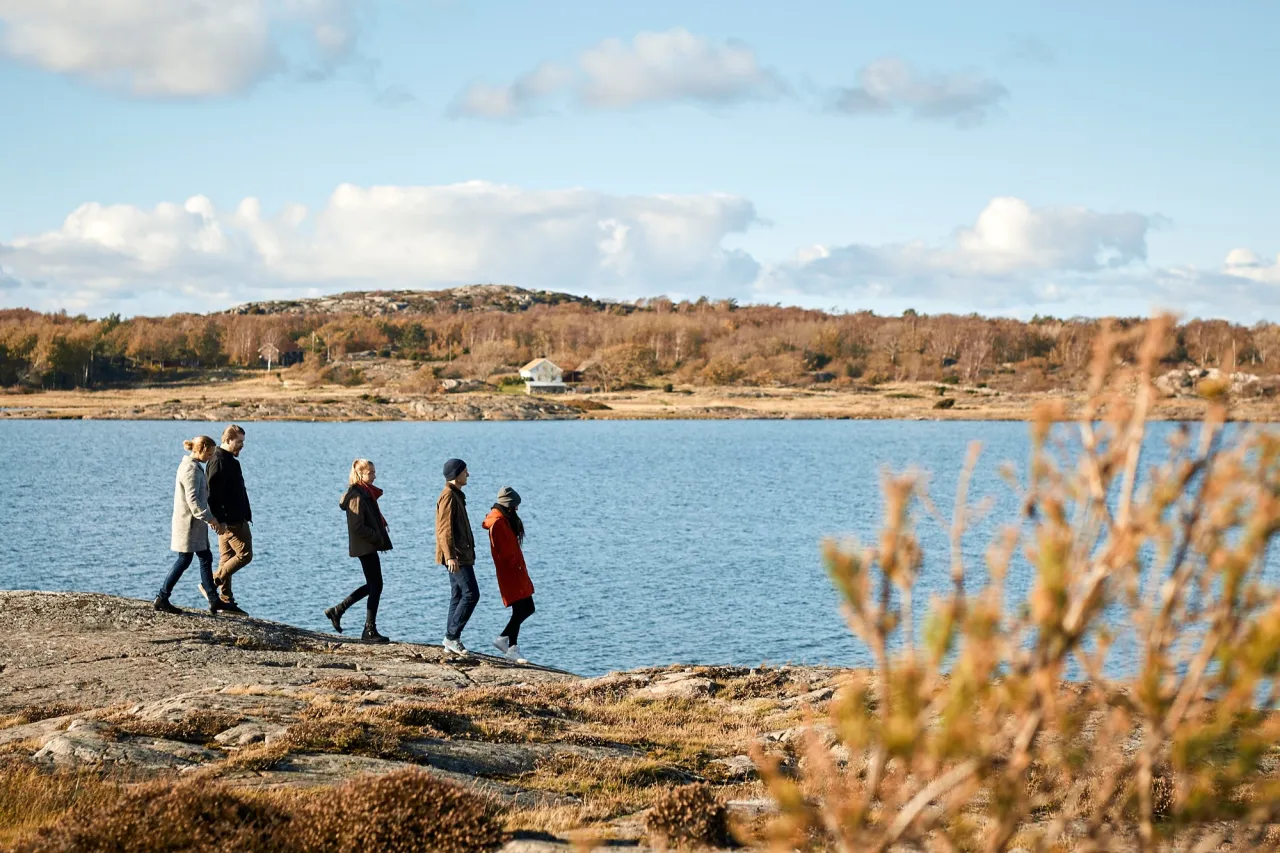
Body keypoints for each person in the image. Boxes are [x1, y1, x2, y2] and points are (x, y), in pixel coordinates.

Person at [154, 436, 226, 616]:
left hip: (194, 525)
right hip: (189, 525)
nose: (211, 457)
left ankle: (213, 599)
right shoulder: (190, 469)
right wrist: (211, 519)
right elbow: (194, 502)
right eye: (209, 453)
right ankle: (163, 597)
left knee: (203, 557)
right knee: (186, 559)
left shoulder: (193, 466)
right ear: (200, 450)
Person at [324, 459, 392, 644]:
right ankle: (368, 630)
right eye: (371, 473)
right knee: (376, 585)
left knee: (374, 585)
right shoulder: (356, 495)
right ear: (360, 474)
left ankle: (339, 611)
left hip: (367, 545)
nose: (374, 475)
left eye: (374, 472)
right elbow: (357, 526)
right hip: (365, 546)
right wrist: (377, 535)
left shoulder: (365, 492)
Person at [482, 486, 535, 664]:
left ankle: (512, 648)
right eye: (515, 506)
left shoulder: (501, 520)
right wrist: (517, 566)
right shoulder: (499, 523)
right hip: (512, 573)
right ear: (509, 505)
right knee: (527, 608)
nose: (517, 509)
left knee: (520, 610)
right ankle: (503, 638)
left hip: (514, 571)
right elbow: (505, 553)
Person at [206, 424, 252, 615]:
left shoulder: (230, 460)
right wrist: (220, 519)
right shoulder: (218, 460)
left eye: (242, 442)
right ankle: (212, 582)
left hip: (232, 518)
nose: (241, 445)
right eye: (239, 441)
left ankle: (225, 599)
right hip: (231, 520)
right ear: (227, 439)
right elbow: (212, 494)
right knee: (245, 555)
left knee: (226, 558)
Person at [436, 458, 477, 656]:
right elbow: (443, 530)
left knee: (458, 594)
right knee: (471, 594)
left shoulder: (455, 495)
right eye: (465, 471)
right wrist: (450, 556)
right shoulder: (449, 497)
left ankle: (450, 639)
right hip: (456, 557)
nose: (468, 475)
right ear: (456, 474)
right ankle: (452, 637)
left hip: (459, 554)